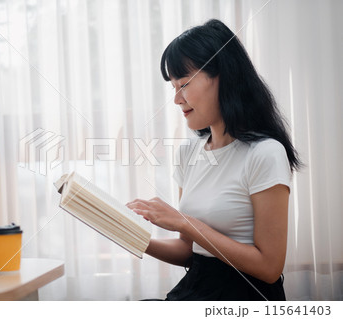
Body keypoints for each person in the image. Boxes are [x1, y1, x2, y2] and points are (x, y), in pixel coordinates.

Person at [126, 19, 301, 301]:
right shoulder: (188, 152)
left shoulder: (265, 153)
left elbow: (269, 268)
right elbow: (188, 251)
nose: (177, 99)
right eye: (173, 87)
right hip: (197, 287)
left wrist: (185, 222)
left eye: (183, 84)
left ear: (224, 77)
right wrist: (127, 234)